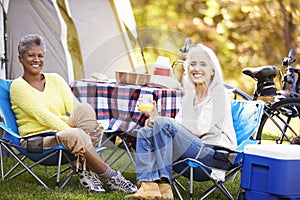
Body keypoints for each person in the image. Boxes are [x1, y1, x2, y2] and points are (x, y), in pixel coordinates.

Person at [10, 33, 137, 194]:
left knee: (84, 108)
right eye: (31, 56)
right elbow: (44, 116)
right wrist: (76, 133)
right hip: (37, 140)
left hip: (61, 132)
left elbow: (74, 106)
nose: (36, 60)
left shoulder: (55, 79)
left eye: (40, 55)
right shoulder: (18, 86)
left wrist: (83, 129)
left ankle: (86, 171)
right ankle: (112, 177)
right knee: (76, 135)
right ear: (21, 58)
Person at [125, 44, 237, 199]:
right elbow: (176, 125)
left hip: (215, 156)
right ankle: (148, 186)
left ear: (212, 70)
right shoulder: (190, 96)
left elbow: (199, 128)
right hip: (194, 149)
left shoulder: (219, 94)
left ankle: (165, 185)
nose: (196, 68)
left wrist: (161, 121)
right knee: (145, 132)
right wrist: (154, 115)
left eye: (202, 64)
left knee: (163, 124)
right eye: (192, 64)